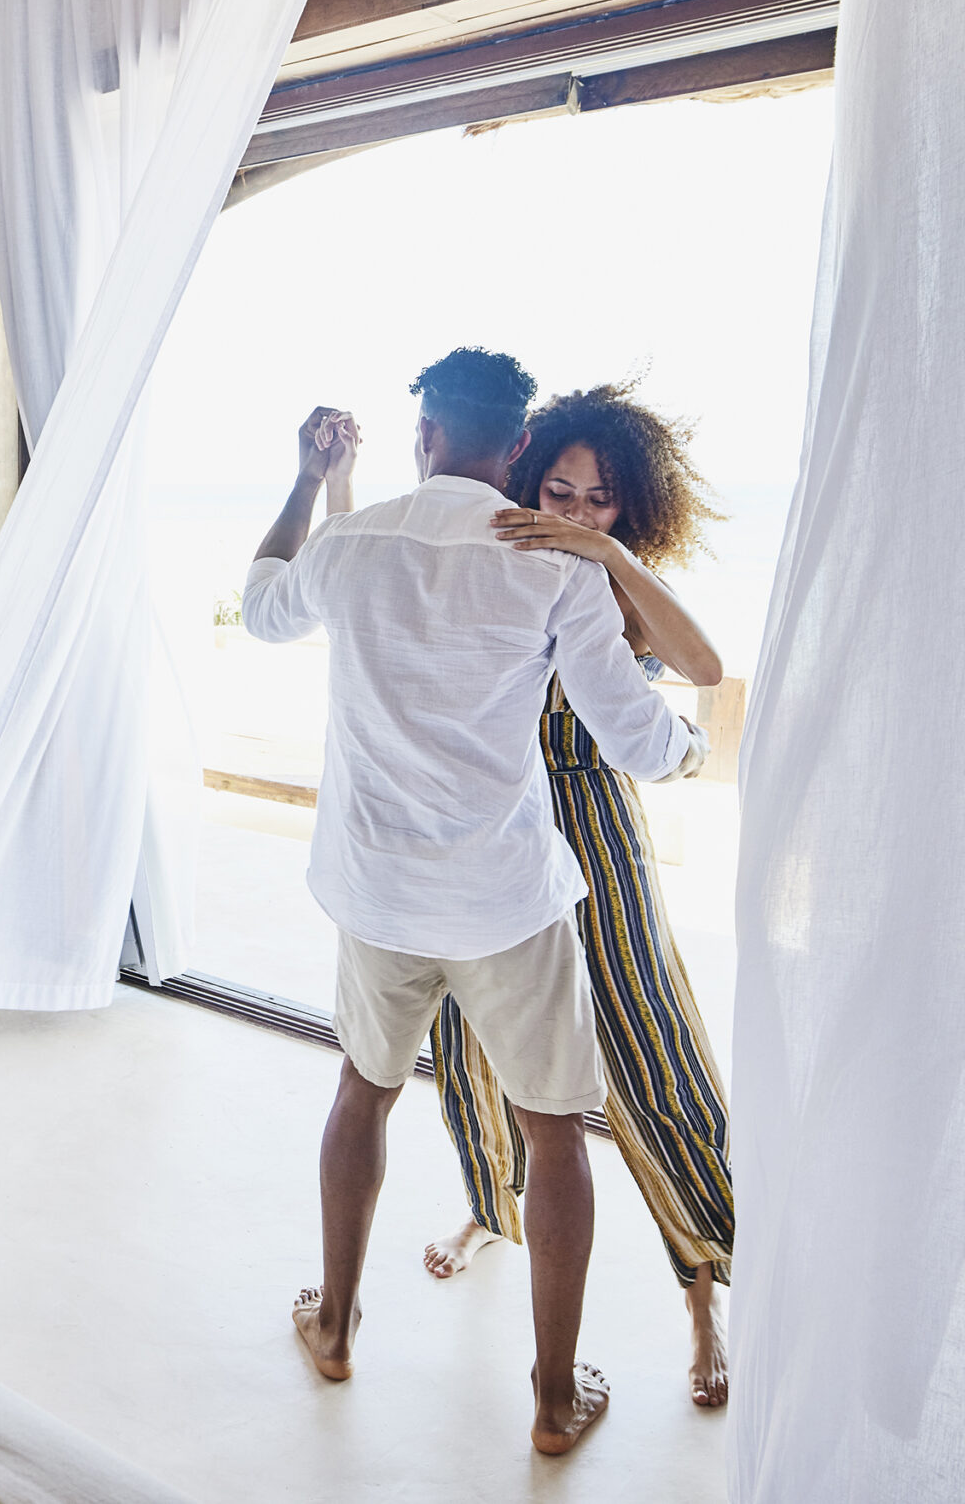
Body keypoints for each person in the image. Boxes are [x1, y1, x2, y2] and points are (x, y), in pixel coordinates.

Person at [241, 348, 706, 1457]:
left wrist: (307, 482)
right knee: (555, 1136)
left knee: (363, 1092)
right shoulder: (552, 567)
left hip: (377, 893)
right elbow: (632, 732)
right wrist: (689, 753)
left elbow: (260, 606)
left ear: (423, 437)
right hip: (502, 900)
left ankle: (339, 1326)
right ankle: (551, 1402)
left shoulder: (351, 541)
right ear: (514, 451)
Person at [417, 381, 739, 1411]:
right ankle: (488, 1204)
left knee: (649, 1035)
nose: (575, 510)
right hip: (490, 823)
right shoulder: (497, 553)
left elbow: (701, 667)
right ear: (521, 474)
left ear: (629, 505)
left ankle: (703, 1273)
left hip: (595, 821)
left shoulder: (617, 574)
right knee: (471, 1035)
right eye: (558, 488)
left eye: (600, 499)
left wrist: (607, 558)